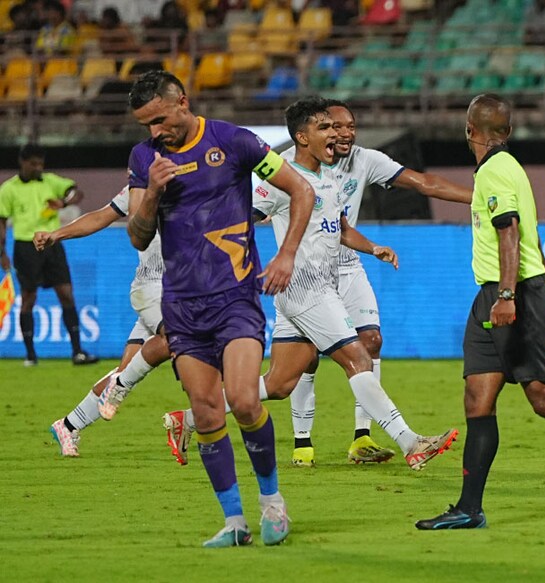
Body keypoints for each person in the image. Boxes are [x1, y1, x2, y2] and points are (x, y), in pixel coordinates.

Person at [162, 97, 460, 472]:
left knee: (280, 382)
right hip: (304, 289)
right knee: (358, 358)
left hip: (319, 286)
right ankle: (410, 441)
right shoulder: (282, 178)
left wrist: (372, 248)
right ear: (302, 137)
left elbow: (339, 229)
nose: (335, 134)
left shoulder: (329, 176)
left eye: (335, 128)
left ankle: (186, 419)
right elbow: (240, 218)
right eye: (325, 128)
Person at [416, 94, 545, 530]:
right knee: (478, 400)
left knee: (544, 398)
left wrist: (511, 297)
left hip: (511, 295)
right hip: (498, 294)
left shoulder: (495, 171)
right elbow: (533, 236)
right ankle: (469, 509)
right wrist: (537, 295)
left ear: (469, 130)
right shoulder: (506, 169)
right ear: (507, 132)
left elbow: (510, 233)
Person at [125, 70, 315, 548]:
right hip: (182, 305)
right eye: (146, 125)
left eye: (161, 120)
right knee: (207, 415)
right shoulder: (146, 159)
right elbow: (137, 235)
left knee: (246, 399)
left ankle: (273, 503)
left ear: (183, 102)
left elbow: (302, 191)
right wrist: (151, 192)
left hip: (235, 298)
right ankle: (234, 522)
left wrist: (286, 254)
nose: (155, 132)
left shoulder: (234, 142)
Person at [278, 99, 474, 467]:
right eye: (333, 127)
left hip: (346, 266)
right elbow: (250, 210)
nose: (344, 133)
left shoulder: (363, 160)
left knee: (368, 343)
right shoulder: (288, 169)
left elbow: (423, 183)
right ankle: (303, 440)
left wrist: (478, 198)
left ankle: (362, 438)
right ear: (310, 134)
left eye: (350, 126)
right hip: (305, 278)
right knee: (303, 364)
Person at [35, 186, 171, 457]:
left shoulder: (201, 175)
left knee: (126, 369)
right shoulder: (141, 187)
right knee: (182, 339)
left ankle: (68, 425)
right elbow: (101, 216)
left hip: (184, 288)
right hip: (153, 286)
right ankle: (194, 423)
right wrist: (56, 234)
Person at [0, 144, 99, 367]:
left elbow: (76, 192)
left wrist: (63, 202)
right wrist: (2, 253)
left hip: (52, 244)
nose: (38, 168)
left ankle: (77, 352)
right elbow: (2, 222)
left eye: (41, 164)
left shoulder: (51, 181)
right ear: (22, 162)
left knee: (66, 294)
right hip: (26, 247)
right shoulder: (8, 189)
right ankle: (30, 355)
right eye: (34, 163)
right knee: (28, 299)